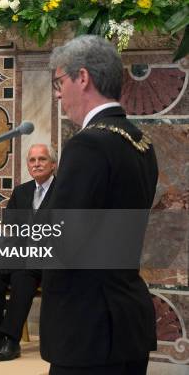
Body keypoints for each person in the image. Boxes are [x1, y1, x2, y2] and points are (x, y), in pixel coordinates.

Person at [39, 35, 158, 374]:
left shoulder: (88, 146)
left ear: (83, 78)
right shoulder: (139, 142)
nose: (58, 93)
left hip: (88, 328)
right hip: (126, 320)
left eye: (60, 82)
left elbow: (59, 239)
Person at [0, 143, 57, 361]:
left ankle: (11, 340)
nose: (37, 164)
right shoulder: (21, 191)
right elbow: (10, 226)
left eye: (42, 159)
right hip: (20, 253)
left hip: (47, 257)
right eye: (32, 160)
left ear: (53, 164)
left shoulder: (63, 191)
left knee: (23, 274)